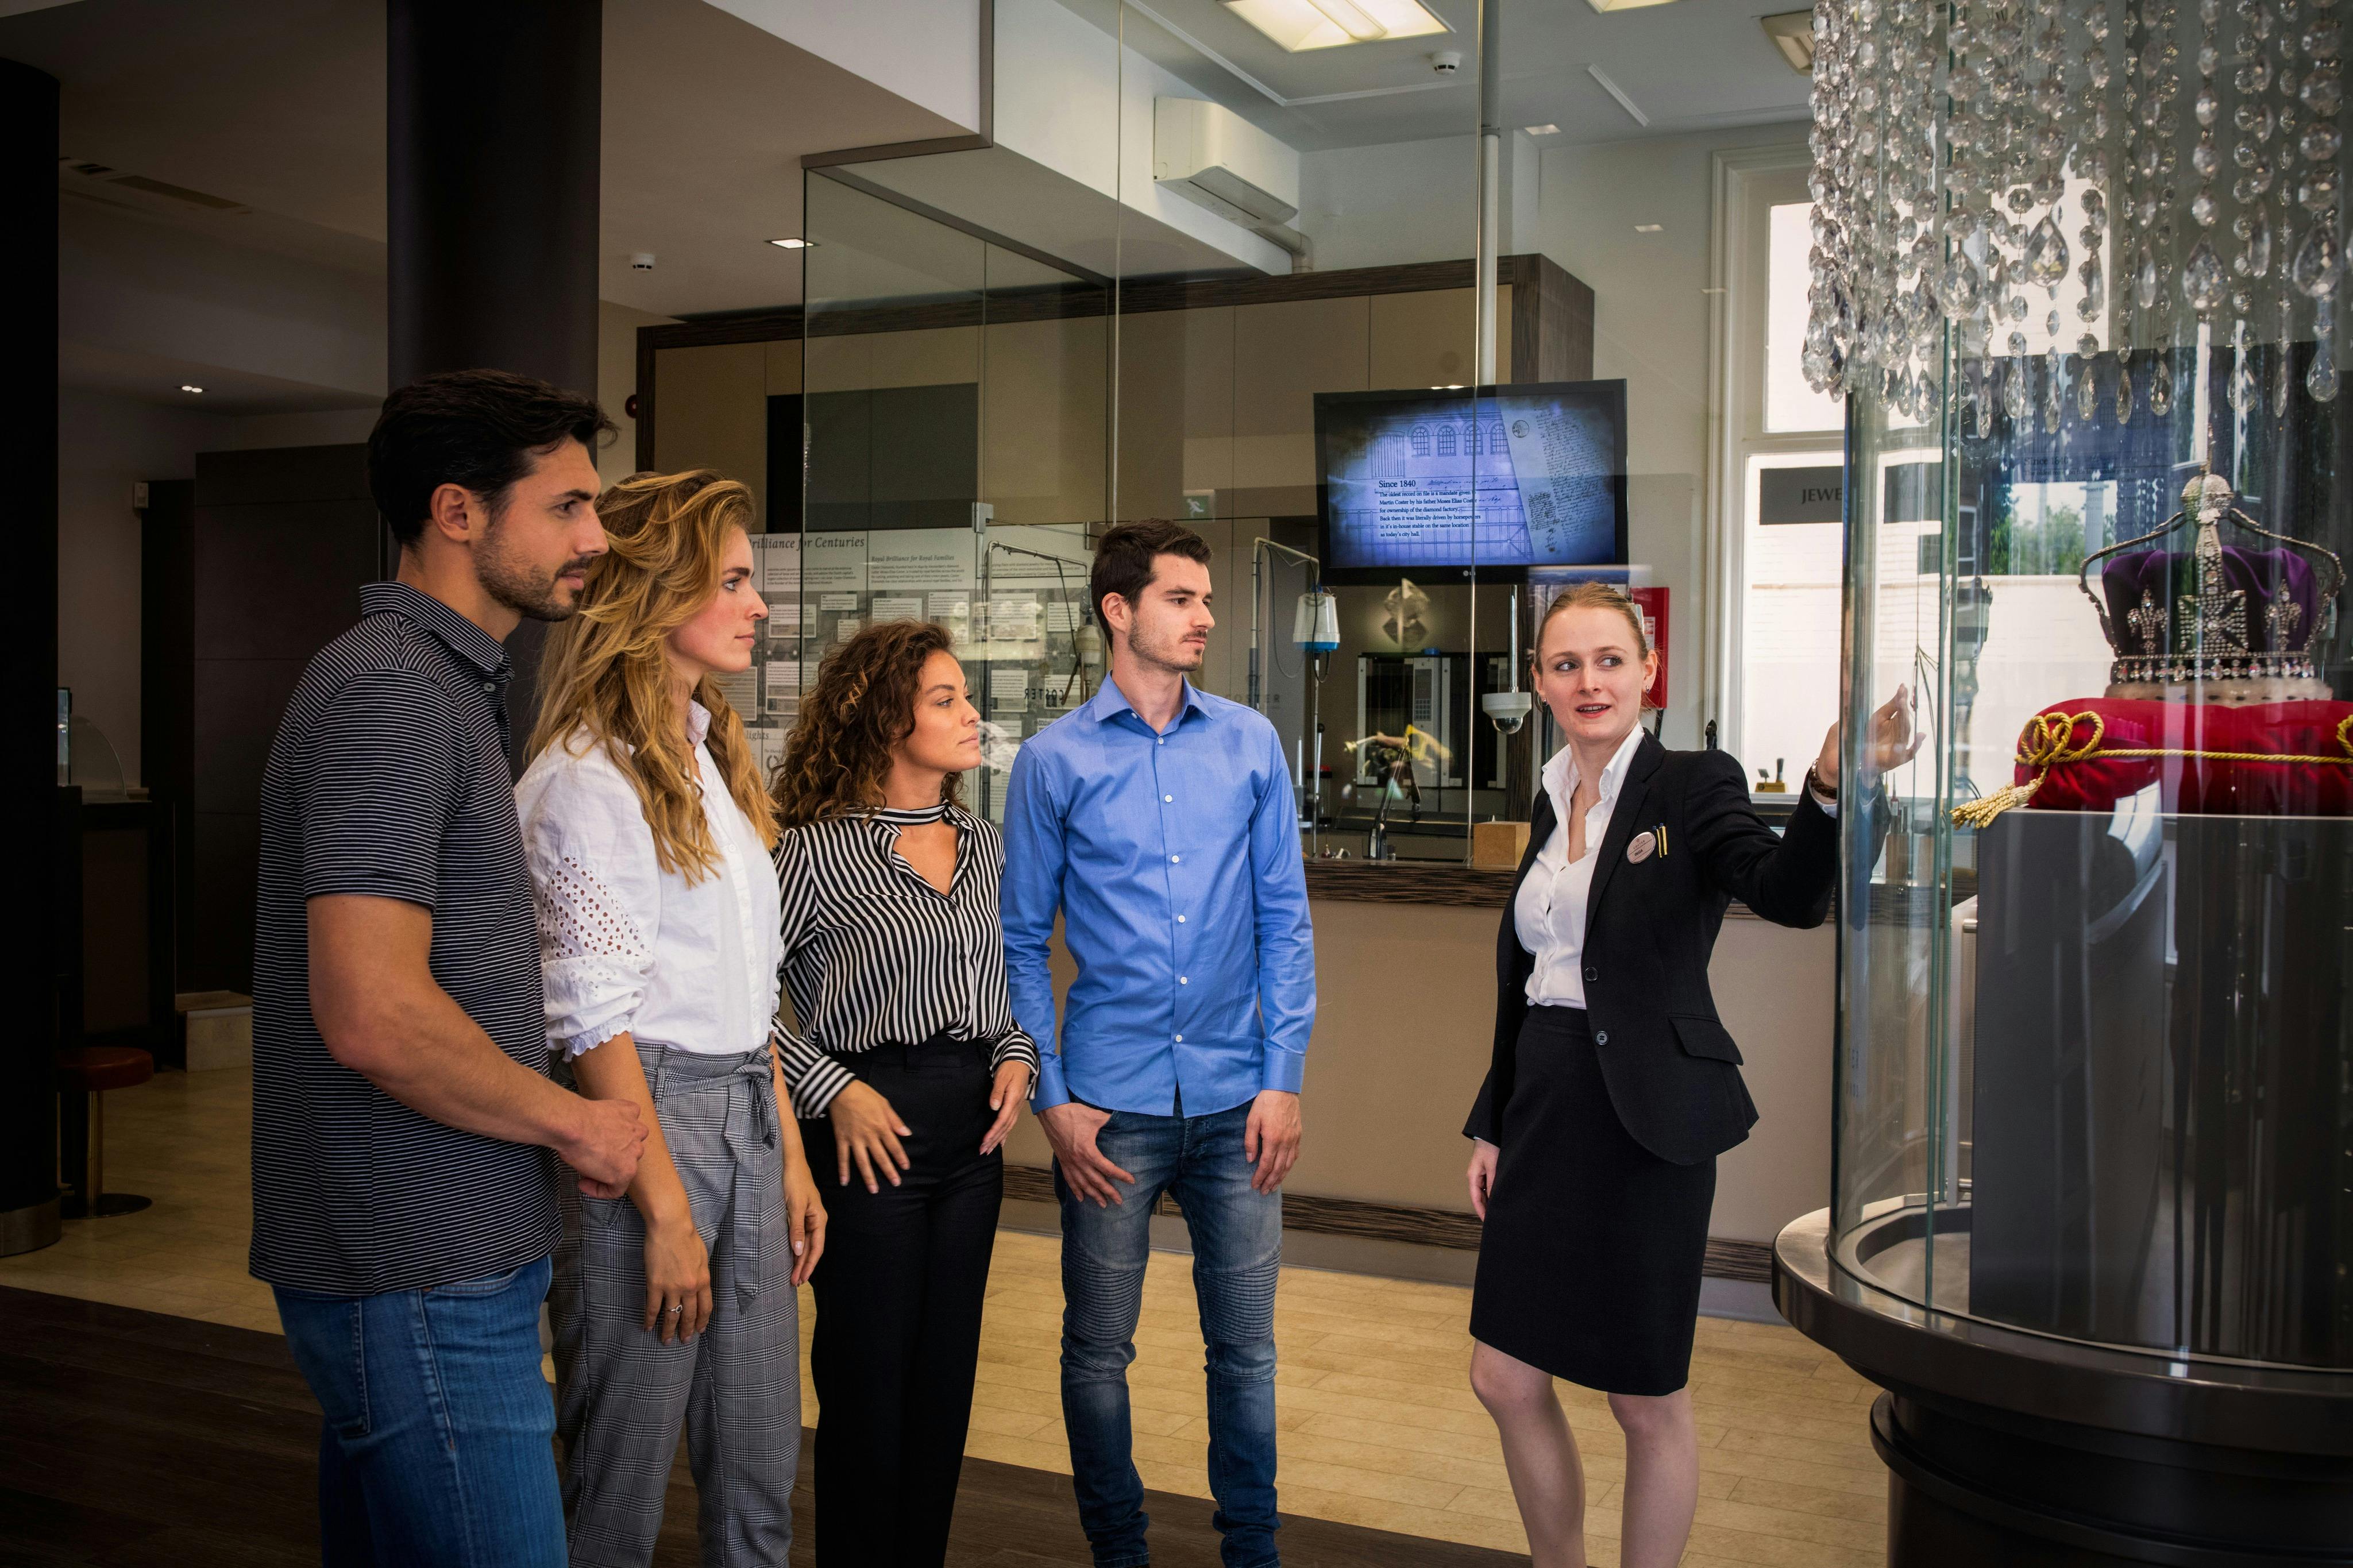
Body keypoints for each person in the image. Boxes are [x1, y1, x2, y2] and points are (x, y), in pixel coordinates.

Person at [250, 369, 648, 1568]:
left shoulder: (438, 682)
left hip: (434, 1258)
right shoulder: (392, 690)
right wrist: (576, 1124)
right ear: (457, 512)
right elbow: (372, 1011)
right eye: (566, 507)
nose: (595, 538)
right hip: (419, 1268)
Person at [1461, 582, 1914, 1568]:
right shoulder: (1548, 795)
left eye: (1610, 660)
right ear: (1539, 681)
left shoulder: (1693, 781)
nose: (1590, 681)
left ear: (1649, 671)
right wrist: (1493, 1119)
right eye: (1567, 664)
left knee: (1643, 1397)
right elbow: (1531, 978)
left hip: (1647, 1121)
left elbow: (1790, 894)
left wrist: (1831, 785)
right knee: (1503, 1373)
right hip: (1543, 1106)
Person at [515, 469, 827, 1567]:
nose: (759, 605)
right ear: (653, 591)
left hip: (745, 1108)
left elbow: (753, 988)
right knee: (620, 1485)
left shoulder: (707, 757)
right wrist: (665, 1211)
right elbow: (591, 1025)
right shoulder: (584, 780)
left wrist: (789, 1152)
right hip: (644, 1126)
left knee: (759, 1473)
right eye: (732, 580)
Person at [1001, 519, 1315, 1568]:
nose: (1206, 617)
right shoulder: (1052, 762)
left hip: (1238, 1102)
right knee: (1098, 1351)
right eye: (1182, 598)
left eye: (1206, 598)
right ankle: (1119, 1552)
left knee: (1247, 1351)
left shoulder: (1251, 743)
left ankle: (1252, 1553)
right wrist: (1052, 1097)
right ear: (1118, 609)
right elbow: (1018, 941)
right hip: (1108, 1110)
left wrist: (1283, 1077)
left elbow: (1285, 921)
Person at [768, 619, 1040, 1567]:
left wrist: (1017, 1050)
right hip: (865, 1126)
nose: (972, 714)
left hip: (972, 1136)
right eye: (945, 699)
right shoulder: (811, 852)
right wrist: (829, 1085)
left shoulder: (986, 842)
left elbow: (1005, 981)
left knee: (943, 1385)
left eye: (966, 697)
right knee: (866, 1382)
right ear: (888, 718)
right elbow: (740, 1002)